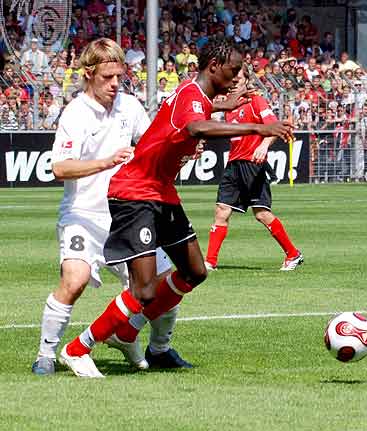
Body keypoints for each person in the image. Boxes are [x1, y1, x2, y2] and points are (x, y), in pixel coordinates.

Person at [60, 40, 293, 378]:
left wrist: (221, 106)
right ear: (213, 66)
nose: (239, 74)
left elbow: (198, 115)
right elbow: (196, 127)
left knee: (194, 271)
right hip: (135, 193)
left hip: (161, 193)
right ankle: (77, 348)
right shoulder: (190, 94)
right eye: (234, 68)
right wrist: (258, 127)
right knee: (142, 289)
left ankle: (126, 332)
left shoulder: (197, 96)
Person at [32, 38, 190, 377]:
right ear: (89, 74)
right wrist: (106, 162)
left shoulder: (130, 107)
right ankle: (46, 355)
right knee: (75, 279)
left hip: (126, 213)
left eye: (119, 76)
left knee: (163, 281)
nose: (115, 84)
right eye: (107, 77)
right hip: (82, 216)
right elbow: (60, 168)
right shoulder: (74, 112)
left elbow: (153, 149)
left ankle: (157, 347)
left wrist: (182, 152)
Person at [205, 66, 303, 272]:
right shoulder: (229, 105)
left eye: (238, 78)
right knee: (221, 211)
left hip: (253, 165)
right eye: (231, 78)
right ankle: (210, 262)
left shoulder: (256, 100)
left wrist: (264, 145)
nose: (233, 82)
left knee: (261, 214)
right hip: (233, 164)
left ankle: (293, 254)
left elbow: (276, 126)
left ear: (246, 80)